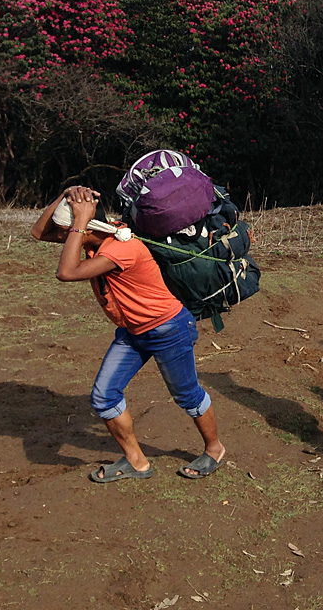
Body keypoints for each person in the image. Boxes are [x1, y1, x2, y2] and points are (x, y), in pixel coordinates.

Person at [31, 186, 226, 483]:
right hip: (133, 331)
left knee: (187, 396)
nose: (66, 237)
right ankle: (137, 461)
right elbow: (39, 234)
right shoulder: (97, 238)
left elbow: (66, 272)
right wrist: (66, 193)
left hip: (168, 329)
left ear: (87, 227)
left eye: (71, 231)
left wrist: (79, 222)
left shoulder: (121, 249)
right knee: (103, 398)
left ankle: (214, 449)